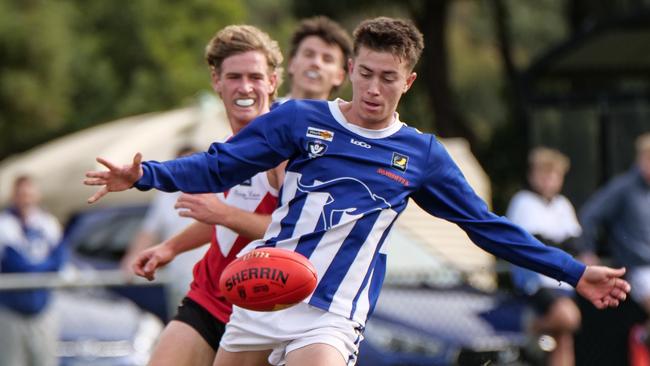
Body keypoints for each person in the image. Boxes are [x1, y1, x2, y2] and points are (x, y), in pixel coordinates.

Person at [84, 17, 631, 366]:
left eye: (388, 78)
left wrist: (575, 272)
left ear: (409, 81)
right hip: (261, 292)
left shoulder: (422, 155)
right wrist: (145, 175)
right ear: (350, 69)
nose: (373, 88)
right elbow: (219, 167)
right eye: (365, 73)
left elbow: (485, 227)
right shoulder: (299, 120)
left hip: (330, 310)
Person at [120, 25, 285, 366]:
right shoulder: (227, 147)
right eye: (234, 76)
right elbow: (228, 221)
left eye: (255, 77)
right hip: (208, 298)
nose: (245, 87)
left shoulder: (286, 151)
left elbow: (292, 232)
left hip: (262, 310)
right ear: (216, 80)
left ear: (271, 81)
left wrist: (221, 213)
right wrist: (170, 247)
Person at [507, 147, 582, 366]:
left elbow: (575, 242)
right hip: (535, 281)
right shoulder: (523, 202)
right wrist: (559, 244)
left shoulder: (562, 204)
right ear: (532, 175)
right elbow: (536, 245)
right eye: (544, 173)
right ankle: (528, 329)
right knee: (568, 318)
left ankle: (534, 329)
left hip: (561, 281)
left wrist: (555, 243)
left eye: (554, 174)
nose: (549, 179)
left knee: (564, 339)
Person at [577, 132, 650, 346]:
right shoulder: (623, 188)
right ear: (640, 159)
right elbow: (590, 215)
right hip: (638, 269)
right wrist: (587, 250)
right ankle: (641, 341)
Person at [120, 144, 206, 318]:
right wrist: (132, 259)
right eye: (182, 164)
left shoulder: (218, 191)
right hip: (182, 285)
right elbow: (149, 231)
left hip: (217, 284)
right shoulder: (165, 197)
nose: (187, 169)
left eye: (191, 163)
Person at [0, 175, 65, 366]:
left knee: (45, 360)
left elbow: (59, 259)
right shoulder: (4, 225)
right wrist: (42, 269)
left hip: (42, 306)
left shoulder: (48, 223)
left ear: (37, 194)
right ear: (14, 195)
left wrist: (38, 270)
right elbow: (15, 264)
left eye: (29, 192)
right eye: (21, 193)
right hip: (10, 309)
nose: (26, 197)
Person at [277, 15, 352, 103]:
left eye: (327, 59)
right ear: (291, 63)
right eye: (309, 54)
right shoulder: (264, 112)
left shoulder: (343, 117)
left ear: (340, 77)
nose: (316, 63)